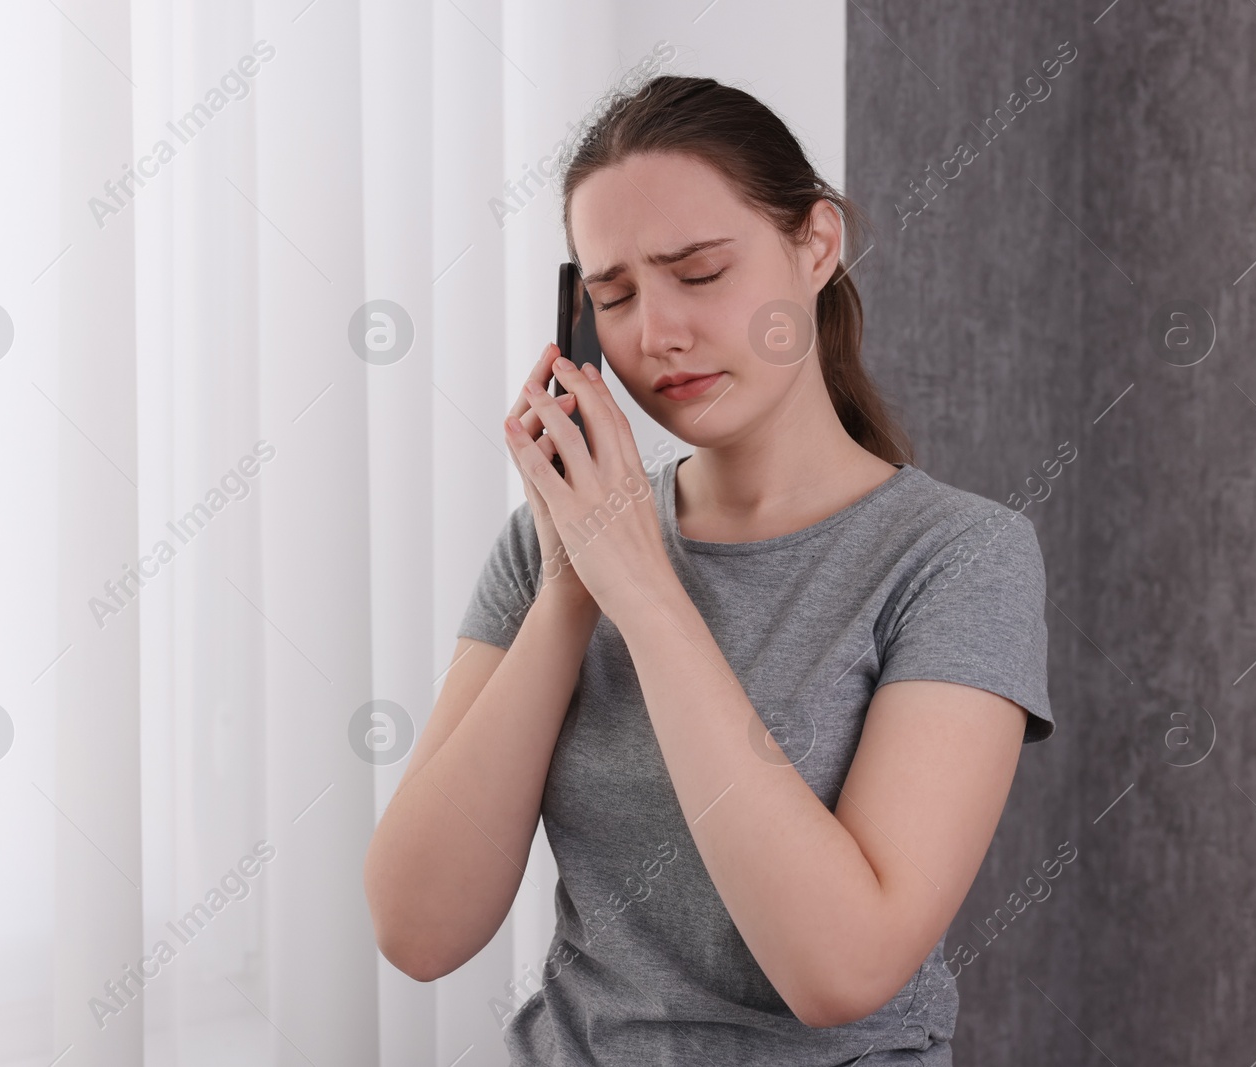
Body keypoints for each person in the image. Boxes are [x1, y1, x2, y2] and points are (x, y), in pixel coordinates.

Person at [363, 74, 1055, 1065]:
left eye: (698, 273)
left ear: (816, 245)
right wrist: (572, 589)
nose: (657, 333)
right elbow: (419, 928)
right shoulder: (553, 547)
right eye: (614, 296)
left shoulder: (957, 557)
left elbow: (841, 969)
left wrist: (642, 592)